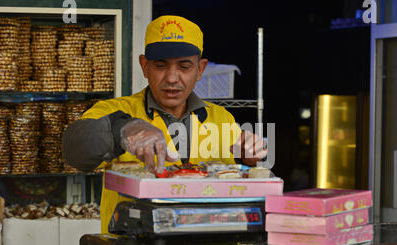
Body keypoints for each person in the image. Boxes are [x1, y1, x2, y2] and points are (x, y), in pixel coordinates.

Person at [62, 15, 267, 233]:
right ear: (144, 66)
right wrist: (121, 129)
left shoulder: (221, 118)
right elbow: (74, 150)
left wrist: (249, 159)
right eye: (161, 65)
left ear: (200, 69)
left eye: (184, 66)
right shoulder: (115, 110)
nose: (171, 78)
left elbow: (235, 182)